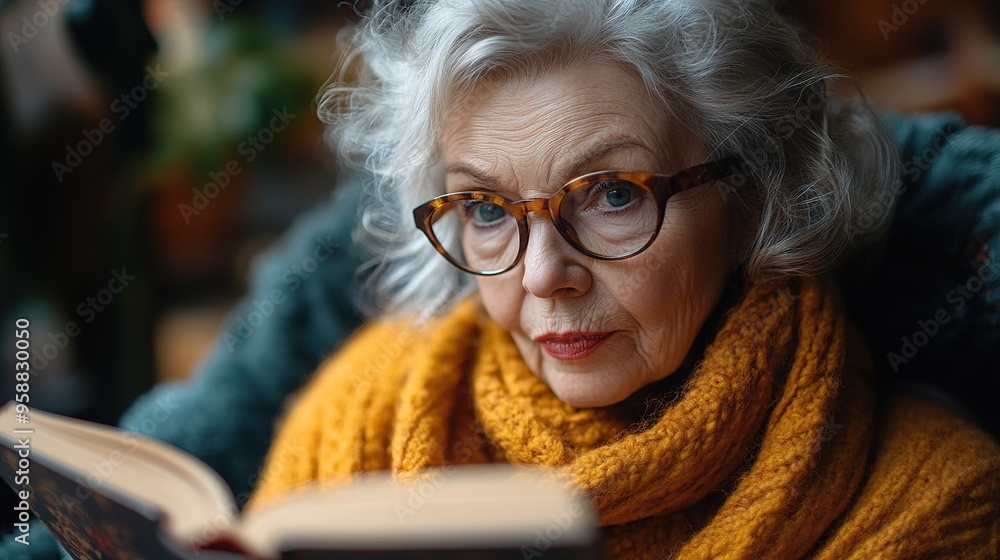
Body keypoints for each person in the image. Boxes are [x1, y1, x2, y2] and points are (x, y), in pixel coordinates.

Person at [244, 1, 999, 559]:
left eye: (613, 194)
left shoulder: (932, 506)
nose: (543, 276)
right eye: (483, 207)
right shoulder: (352, 420)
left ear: (754, 195)